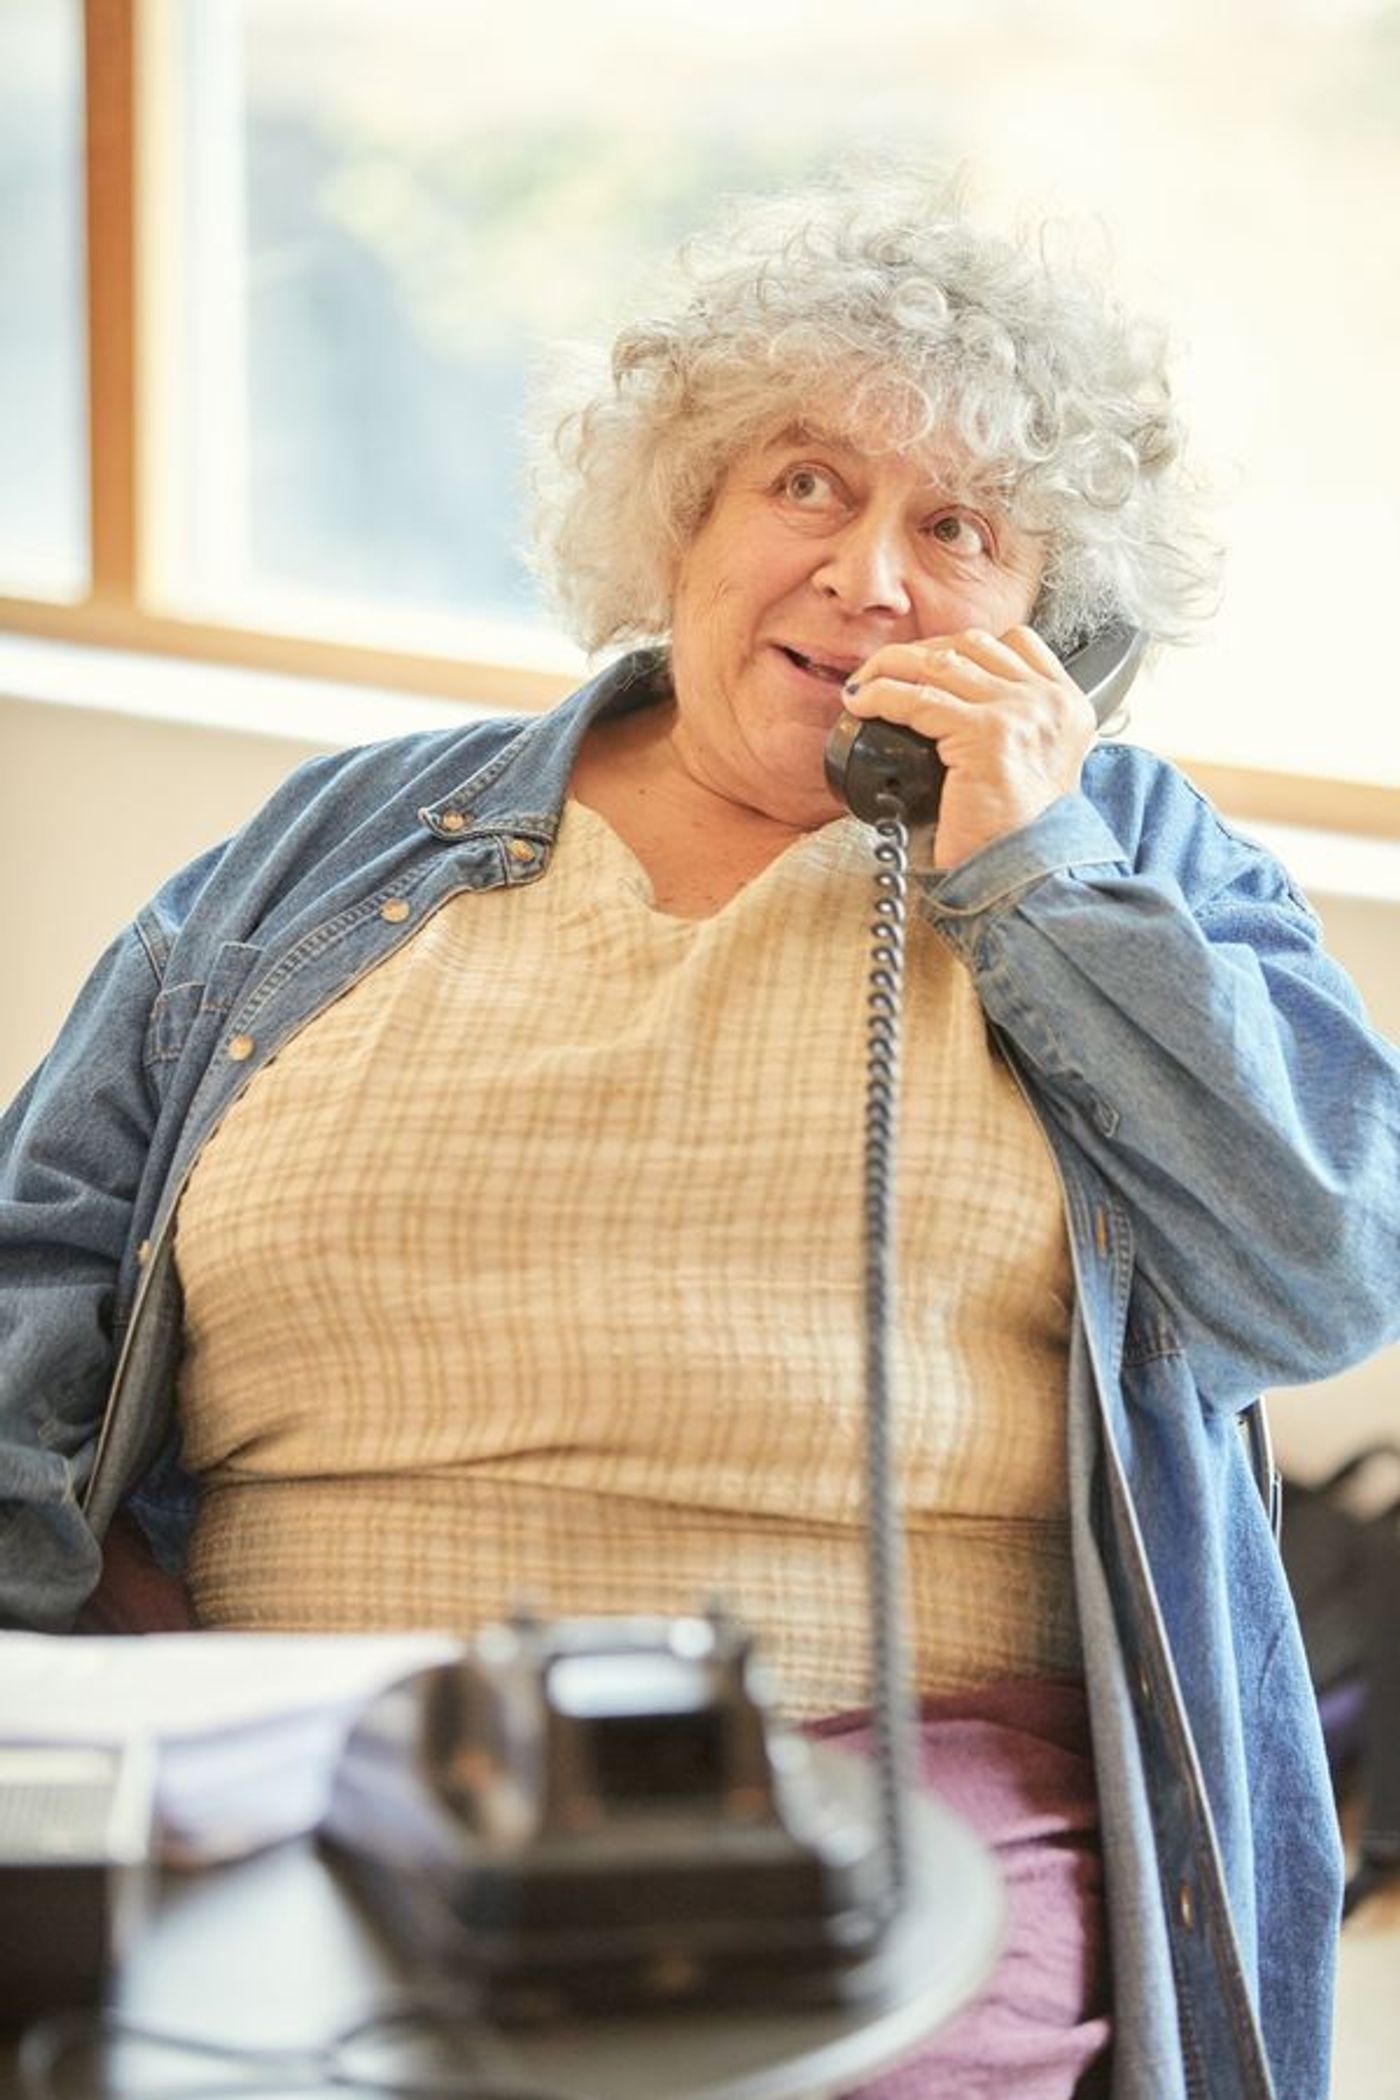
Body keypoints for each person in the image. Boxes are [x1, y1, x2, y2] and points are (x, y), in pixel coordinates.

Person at [3, 166, 1399, 2100]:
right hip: (298, 1758)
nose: (872, 576)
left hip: (883, 1786)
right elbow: (34, 1289)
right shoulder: (329, 854)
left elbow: (1317, 1272)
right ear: (679, 516)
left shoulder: (1135, 860)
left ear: (1053, 621)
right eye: (809, 485)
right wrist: (90, 1705)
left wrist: (1036, 872)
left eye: (960, 527)